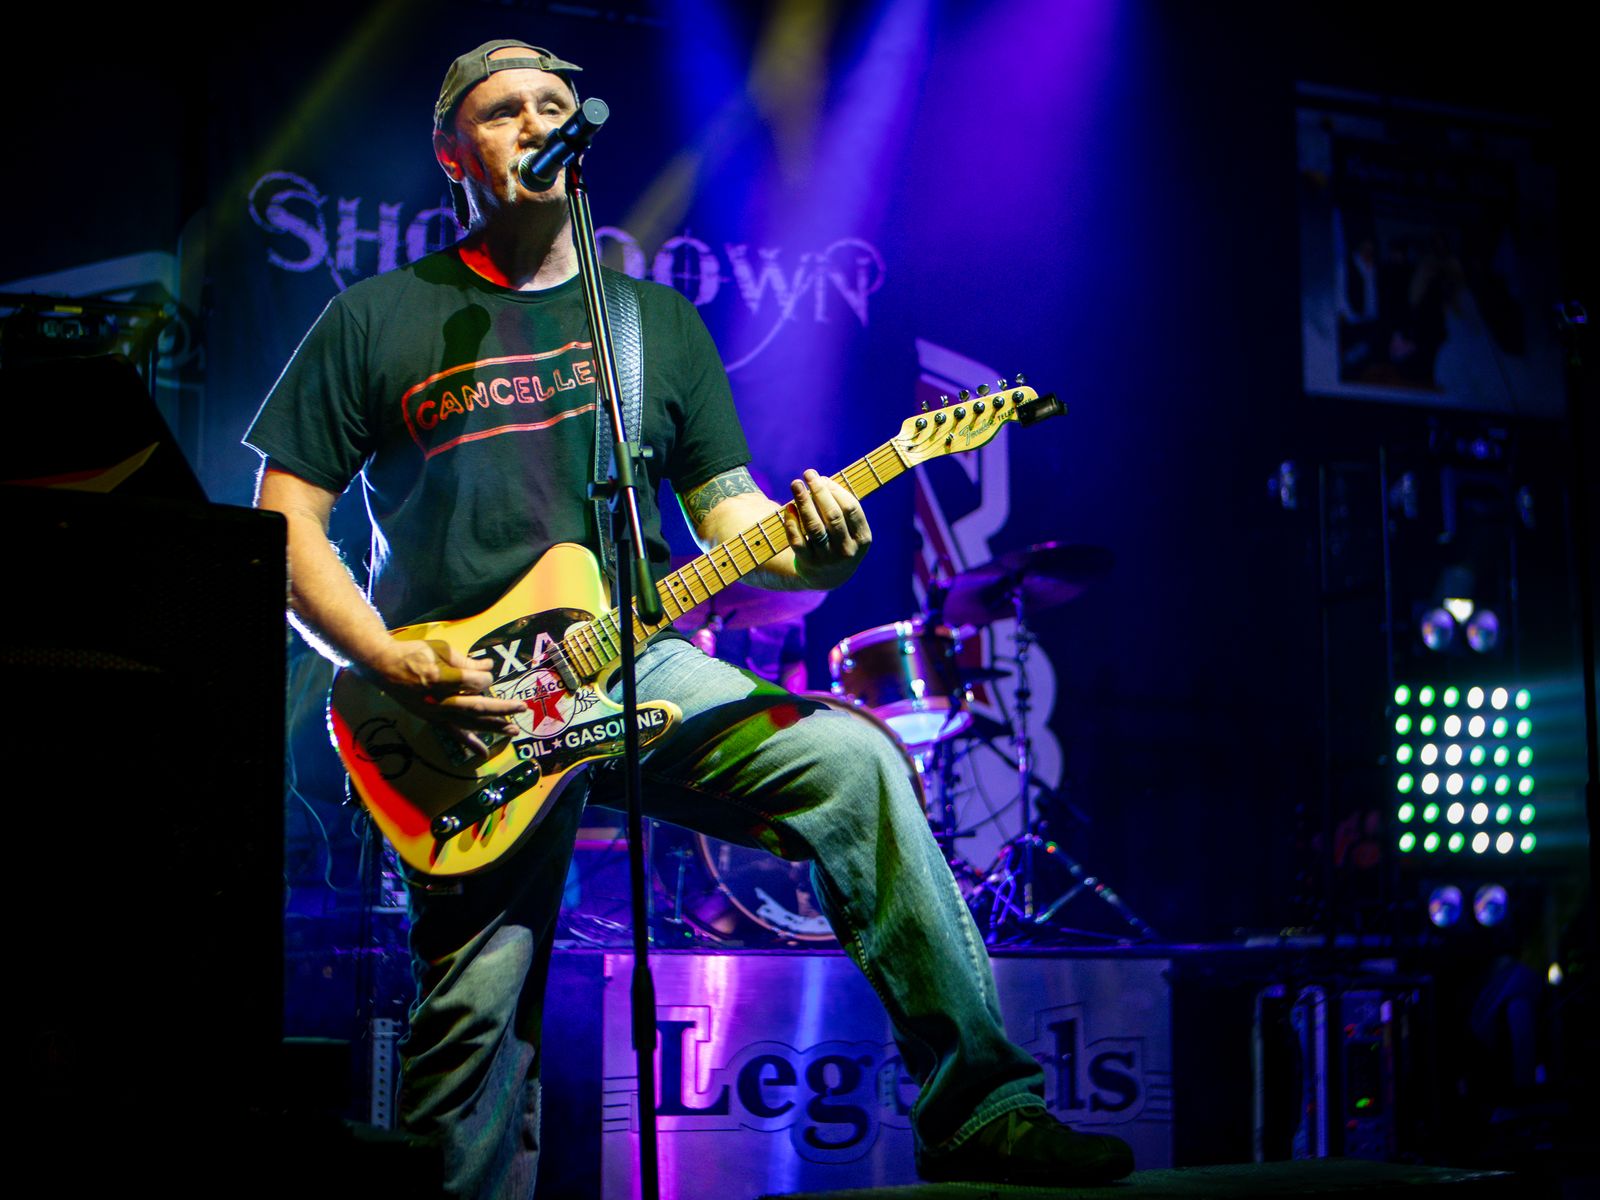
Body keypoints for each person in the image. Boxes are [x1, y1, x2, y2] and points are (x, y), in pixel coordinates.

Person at [247, 38, 1134, 1198]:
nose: (536, 123)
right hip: (460, 710)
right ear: (451, 152)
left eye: (554, 104)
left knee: (854, 760)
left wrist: (817, 554)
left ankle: (980, 1109)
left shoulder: (648, 326)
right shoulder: (377, 319)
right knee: (473, 1020)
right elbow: (283, 524)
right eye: (505, 111)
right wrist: (385, 658)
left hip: (637, 664)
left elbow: (732, 520)